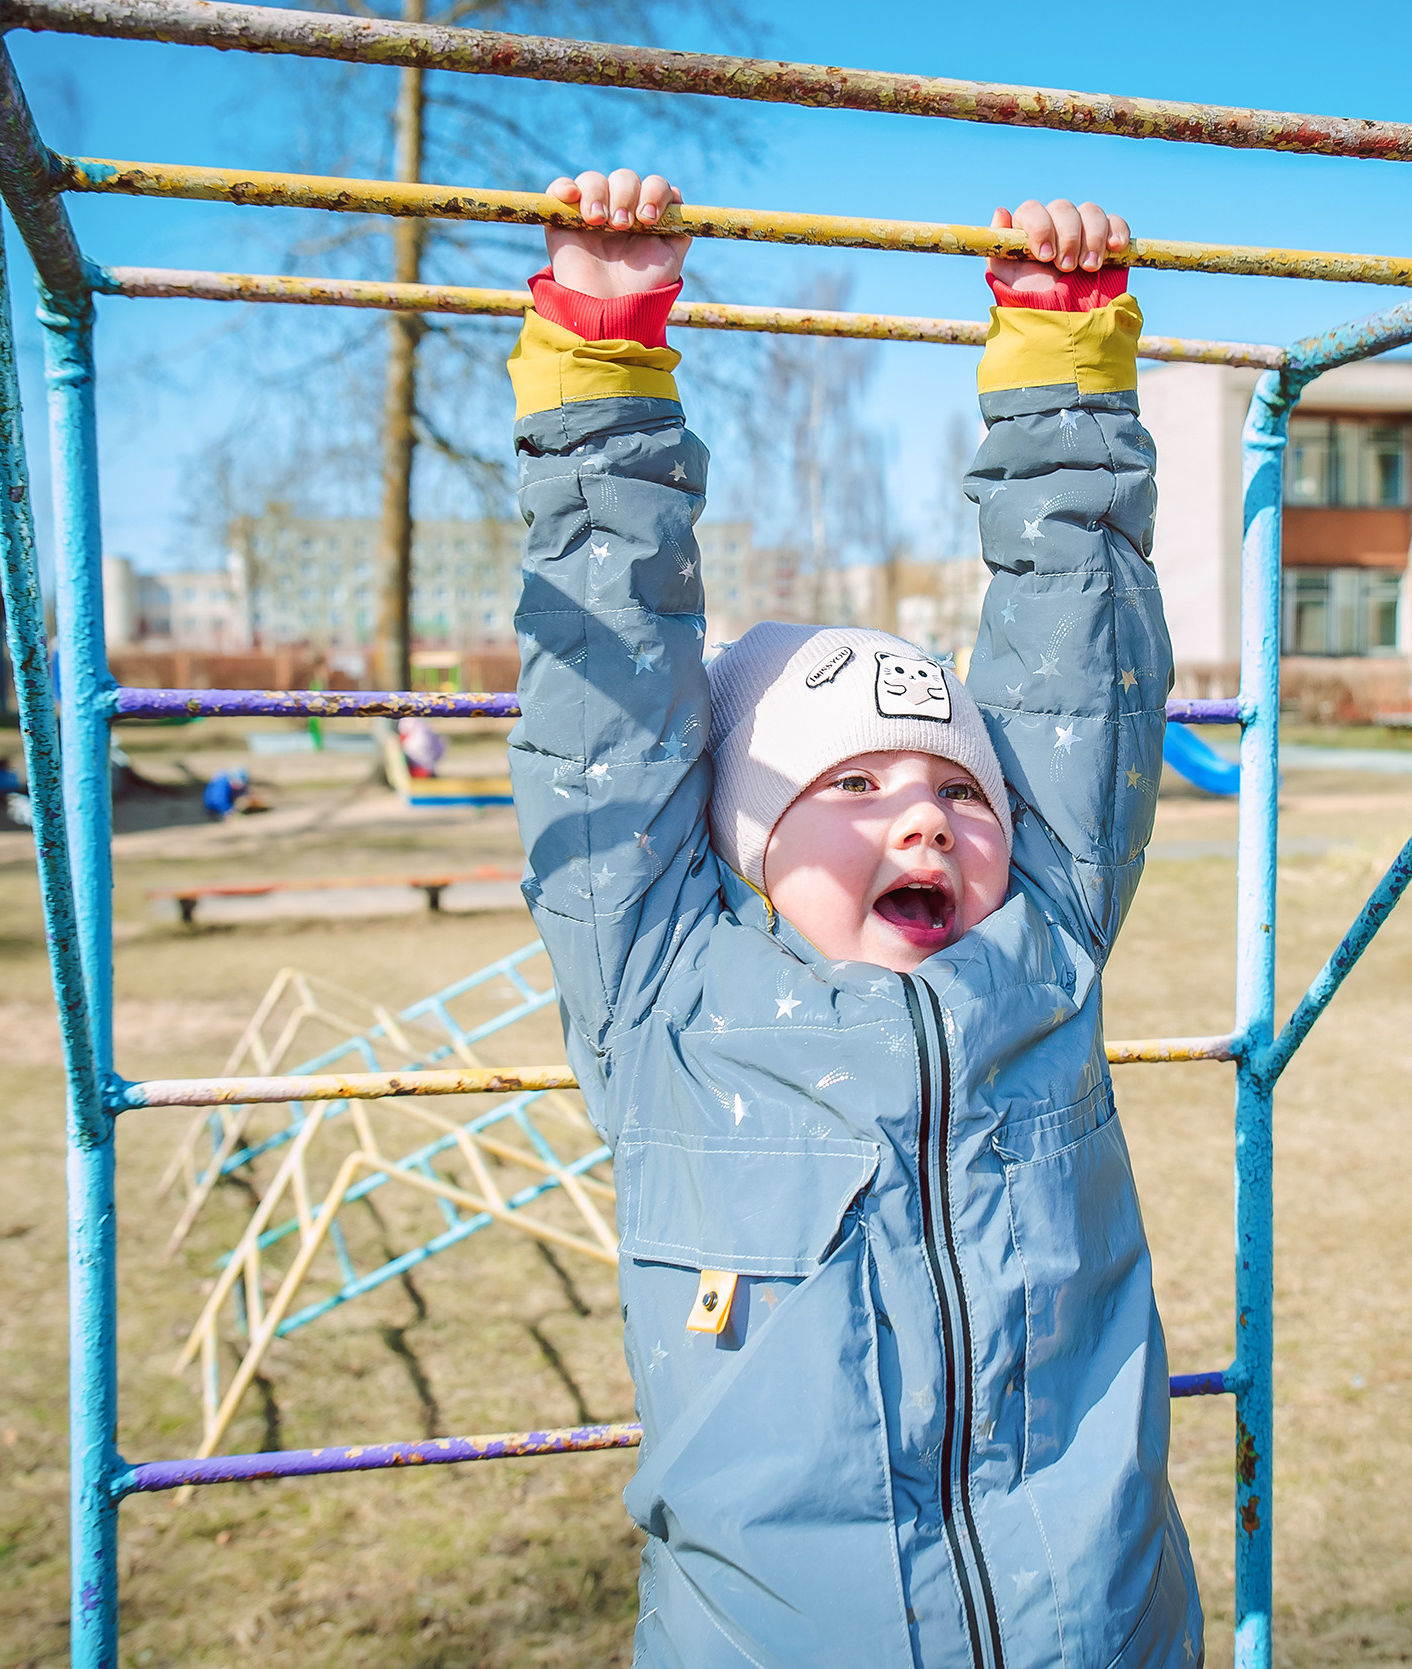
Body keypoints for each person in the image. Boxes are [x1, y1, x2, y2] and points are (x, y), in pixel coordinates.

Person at [511, 166, 1196, 1666]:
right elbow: (605, 703)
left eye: (960, 787)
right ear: (745, 842)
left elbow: (1076, 669)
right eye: (857, 782)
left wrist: (1063, 358)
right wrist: (605, 347)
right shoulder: (665, 996)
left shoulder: (1046, 950)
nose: (924, 814)